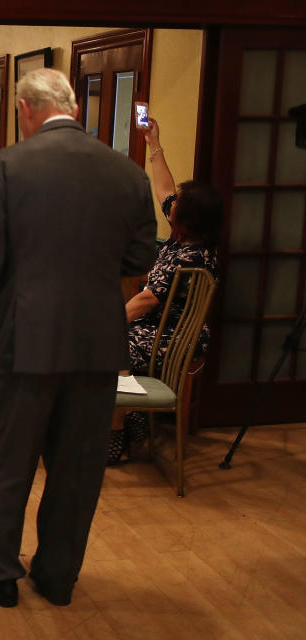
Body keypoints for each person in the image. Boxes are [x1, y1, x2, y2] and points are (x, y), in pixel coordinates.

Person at [0, 68, 156, 608]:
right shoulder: (128, 172)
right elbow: (139, 258)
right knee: (79, 466)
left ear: (24, 109)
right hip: (97, 342)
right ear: (74, 109)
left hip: (26, 338)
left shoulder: (6, 167)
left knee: (9, 462)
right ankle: (58, 576)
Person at [107, 118, 222, 463]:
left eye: (177, 205)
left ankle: (116, 433)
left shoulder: (189, 257)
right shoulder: (187, 238)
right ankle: (133, 418)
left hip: (174, 337)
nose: (170, 204)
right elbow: (165, 188)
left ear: (185, 219)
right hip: (157, 328)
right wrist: (154, 142)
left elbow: (146, 301)